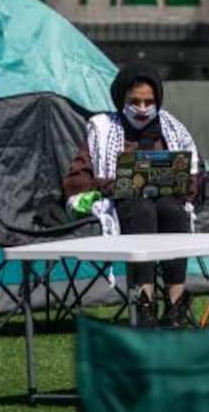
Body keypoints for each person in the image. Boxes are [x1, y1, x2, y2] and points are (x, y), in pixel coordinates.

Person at [63, 62, 200, 328]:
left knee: (172, 211)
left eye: (149, 101)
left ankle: (176, 303)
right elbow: (77, 181)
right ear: (121, 99)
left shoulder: (172, 129)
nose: (142, 108)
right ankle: (144, 301)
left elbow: (193, 175)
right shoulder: (101, 129)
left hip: (166, 199)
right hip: (122, 203)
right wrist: (116, 185)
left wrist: (179, 182)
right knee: (142, 210)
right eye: (134, 101)